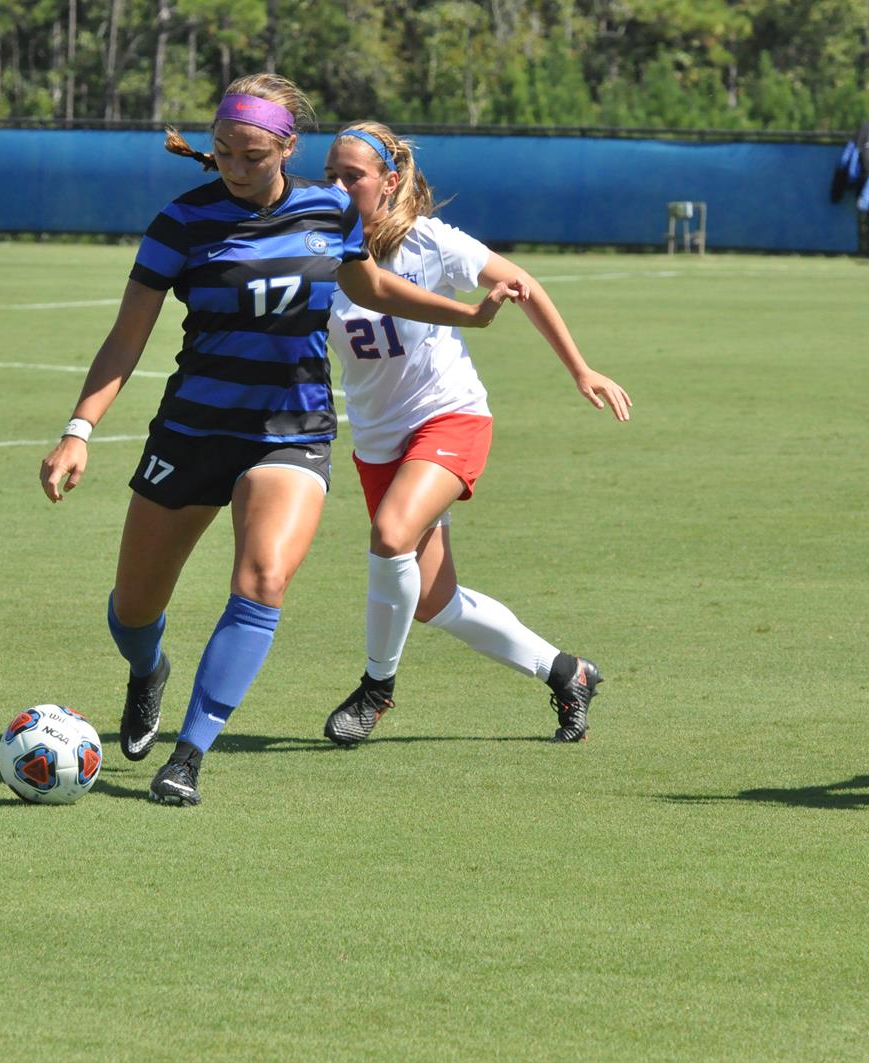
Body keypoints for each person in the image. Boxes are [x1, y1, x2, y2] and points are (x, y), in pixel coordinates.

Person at [37, 74, 521, 806]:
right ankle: (148, 670)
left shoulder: (331, 209)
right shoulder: (182, 222)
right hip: (193, 429)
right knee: (133, 608)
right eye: (224, 151)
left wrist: (469, 315)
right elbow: (126, 338)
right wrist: (79, 430)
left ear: (288, 148)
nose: (236, 166)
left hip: (292, 431)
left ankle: (189, 756)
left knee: (263, 579)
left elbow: (369, 288)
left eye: (253, 155)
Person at [319, 121, 632, 747]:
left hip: (449, 416)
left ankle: (376, 688)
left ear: (389, 181)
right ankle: (567, 672)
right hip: (378, 439)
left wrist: (580, 368)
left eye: (352, 176)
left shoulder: (431, 242)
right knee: (432, 600)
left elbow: (522, 285)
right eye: (330, 174)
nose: (337, 187)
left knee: (390, 535)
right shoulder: (319, 246)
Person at [831, 120, 869, 256]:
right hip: (863, 188)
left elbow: (842, 163)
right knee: (864, 219)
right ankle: (867, 250)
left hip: (854, 185)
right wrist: (864, 201)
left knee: (861, 220)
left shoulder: (855, 142)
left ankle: (864, 249)